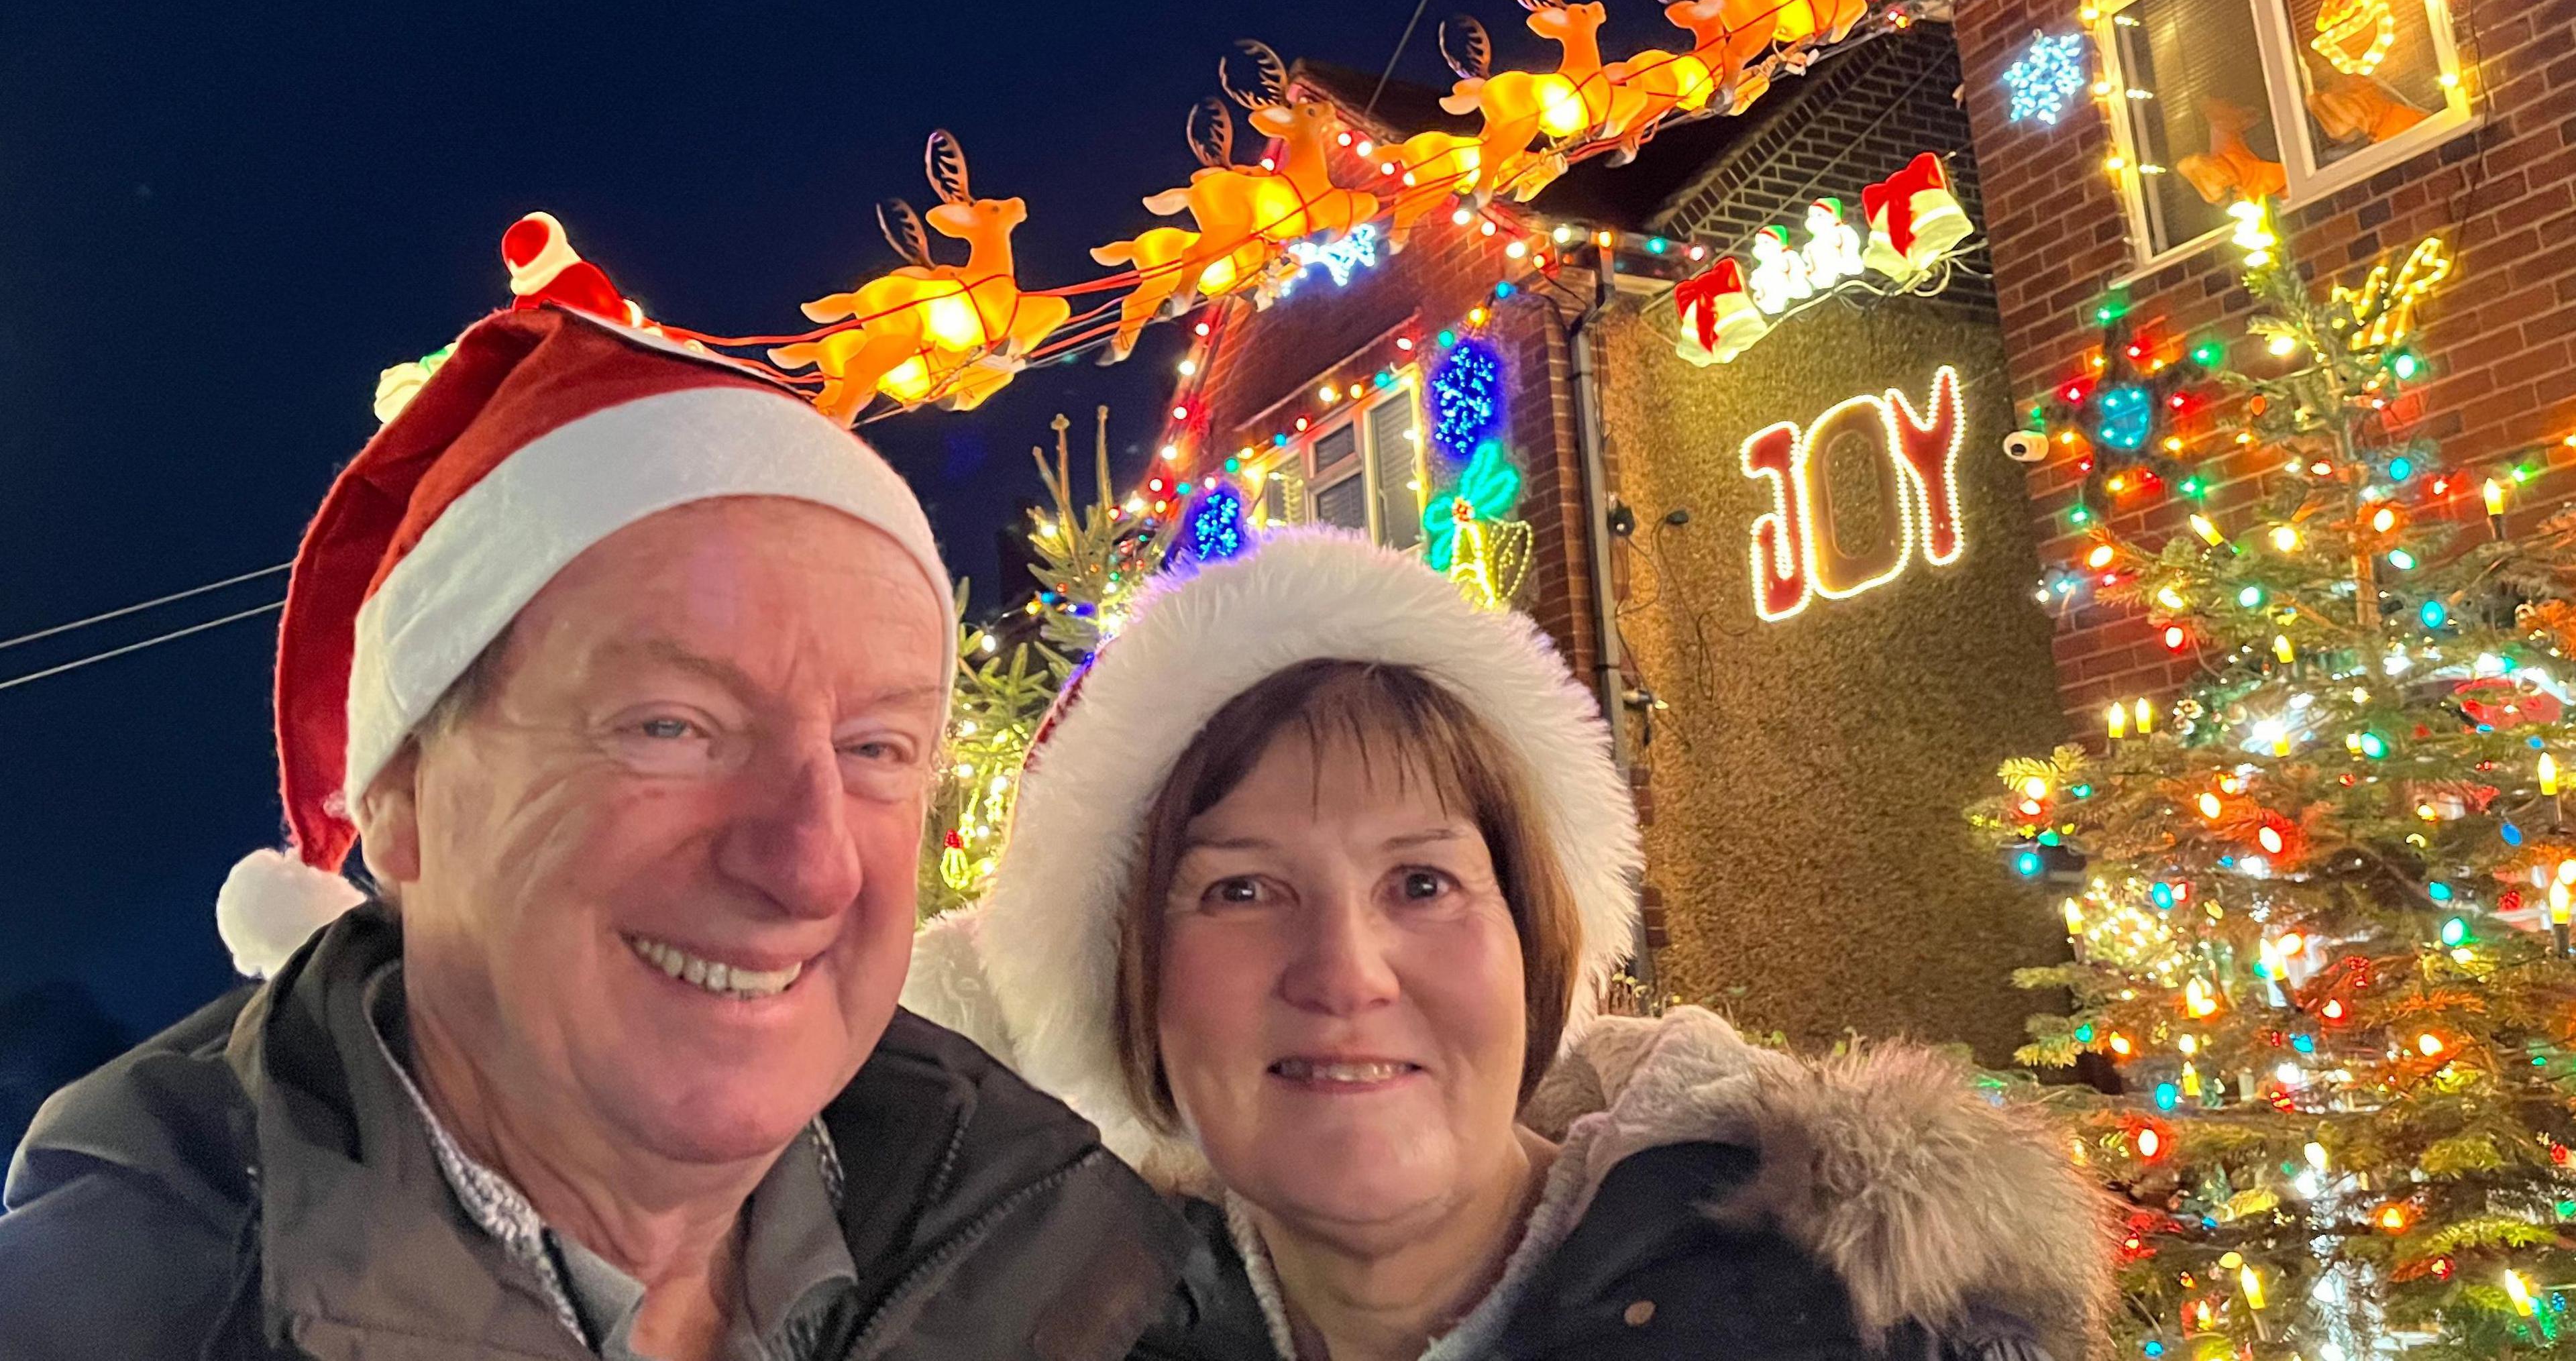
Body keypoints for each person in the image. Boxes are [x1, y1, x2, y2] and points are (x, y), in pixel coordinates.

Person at [0, 307, 1199, 1360]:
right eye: (672, 726)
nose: (812, 863)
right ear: (404, 799)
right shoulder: (97, 1320)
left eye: (876, 749)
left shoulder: (1078, 1277)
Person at [906, 529, 2113, 1360]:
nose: (1345, 973)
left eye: (1422, 882)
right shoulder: (1067, 1325)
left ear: (1533, 948)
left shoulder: (1870, 1325)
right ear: (1136, 994)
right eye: (1239, 891)